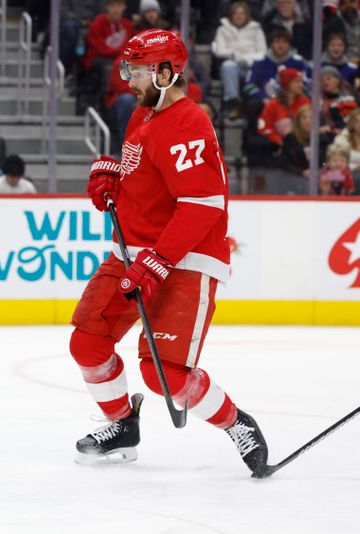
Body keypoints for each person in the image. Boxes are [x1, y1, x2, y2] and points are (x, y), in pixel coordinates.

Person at [72, 29, 268, 475]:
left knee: (168, 377)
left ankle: (237, 424)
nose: (129, 79)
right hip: (134, 254)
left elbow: (202, 206)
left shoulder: (188, 123)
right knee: (87, 341)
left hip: (185, 261)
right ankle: (121, 426)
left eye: (138, 70)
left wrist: (158, 262)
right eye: (128, 69)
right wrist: (112, 183)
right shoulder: (141, 115)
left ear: (165, 72)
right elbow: (148, 183)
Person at [212, 1, 267, 120]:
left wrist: (246, 59)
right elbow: (219, 50)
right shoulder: (223, 29)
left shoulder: (256, 29)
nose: (239, 16)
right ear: (231, 15)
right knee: (228, 66)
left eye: (242, 13)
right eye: (236, 13)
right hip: (233, 66)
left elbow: (262, 53)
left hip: (253, 68)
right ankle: (233, 104)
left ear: (247, 15)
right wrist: (235, 55)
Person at [244, 28, 308, 102]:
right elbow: (249, 86)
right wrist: (263, 98)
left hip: (293, 100)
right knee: (253, 105)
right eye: (277, 42)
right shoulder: (259, 62)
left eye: (284, 42)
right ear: (271, 44)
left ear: (289, 45)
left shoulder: (298, 61)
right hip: (266, 101)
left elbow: (306, 83)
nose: (281, 45)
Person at [257, 67, 310, 147]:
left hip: (304, 144)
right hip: (280, 147)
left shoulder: (305, 102)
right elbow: (263, 126)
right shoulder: (273, 105)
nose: (301, 85)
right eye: (297, 81)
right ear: (287, 84)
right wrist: (277, 140)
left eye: (301, 81)